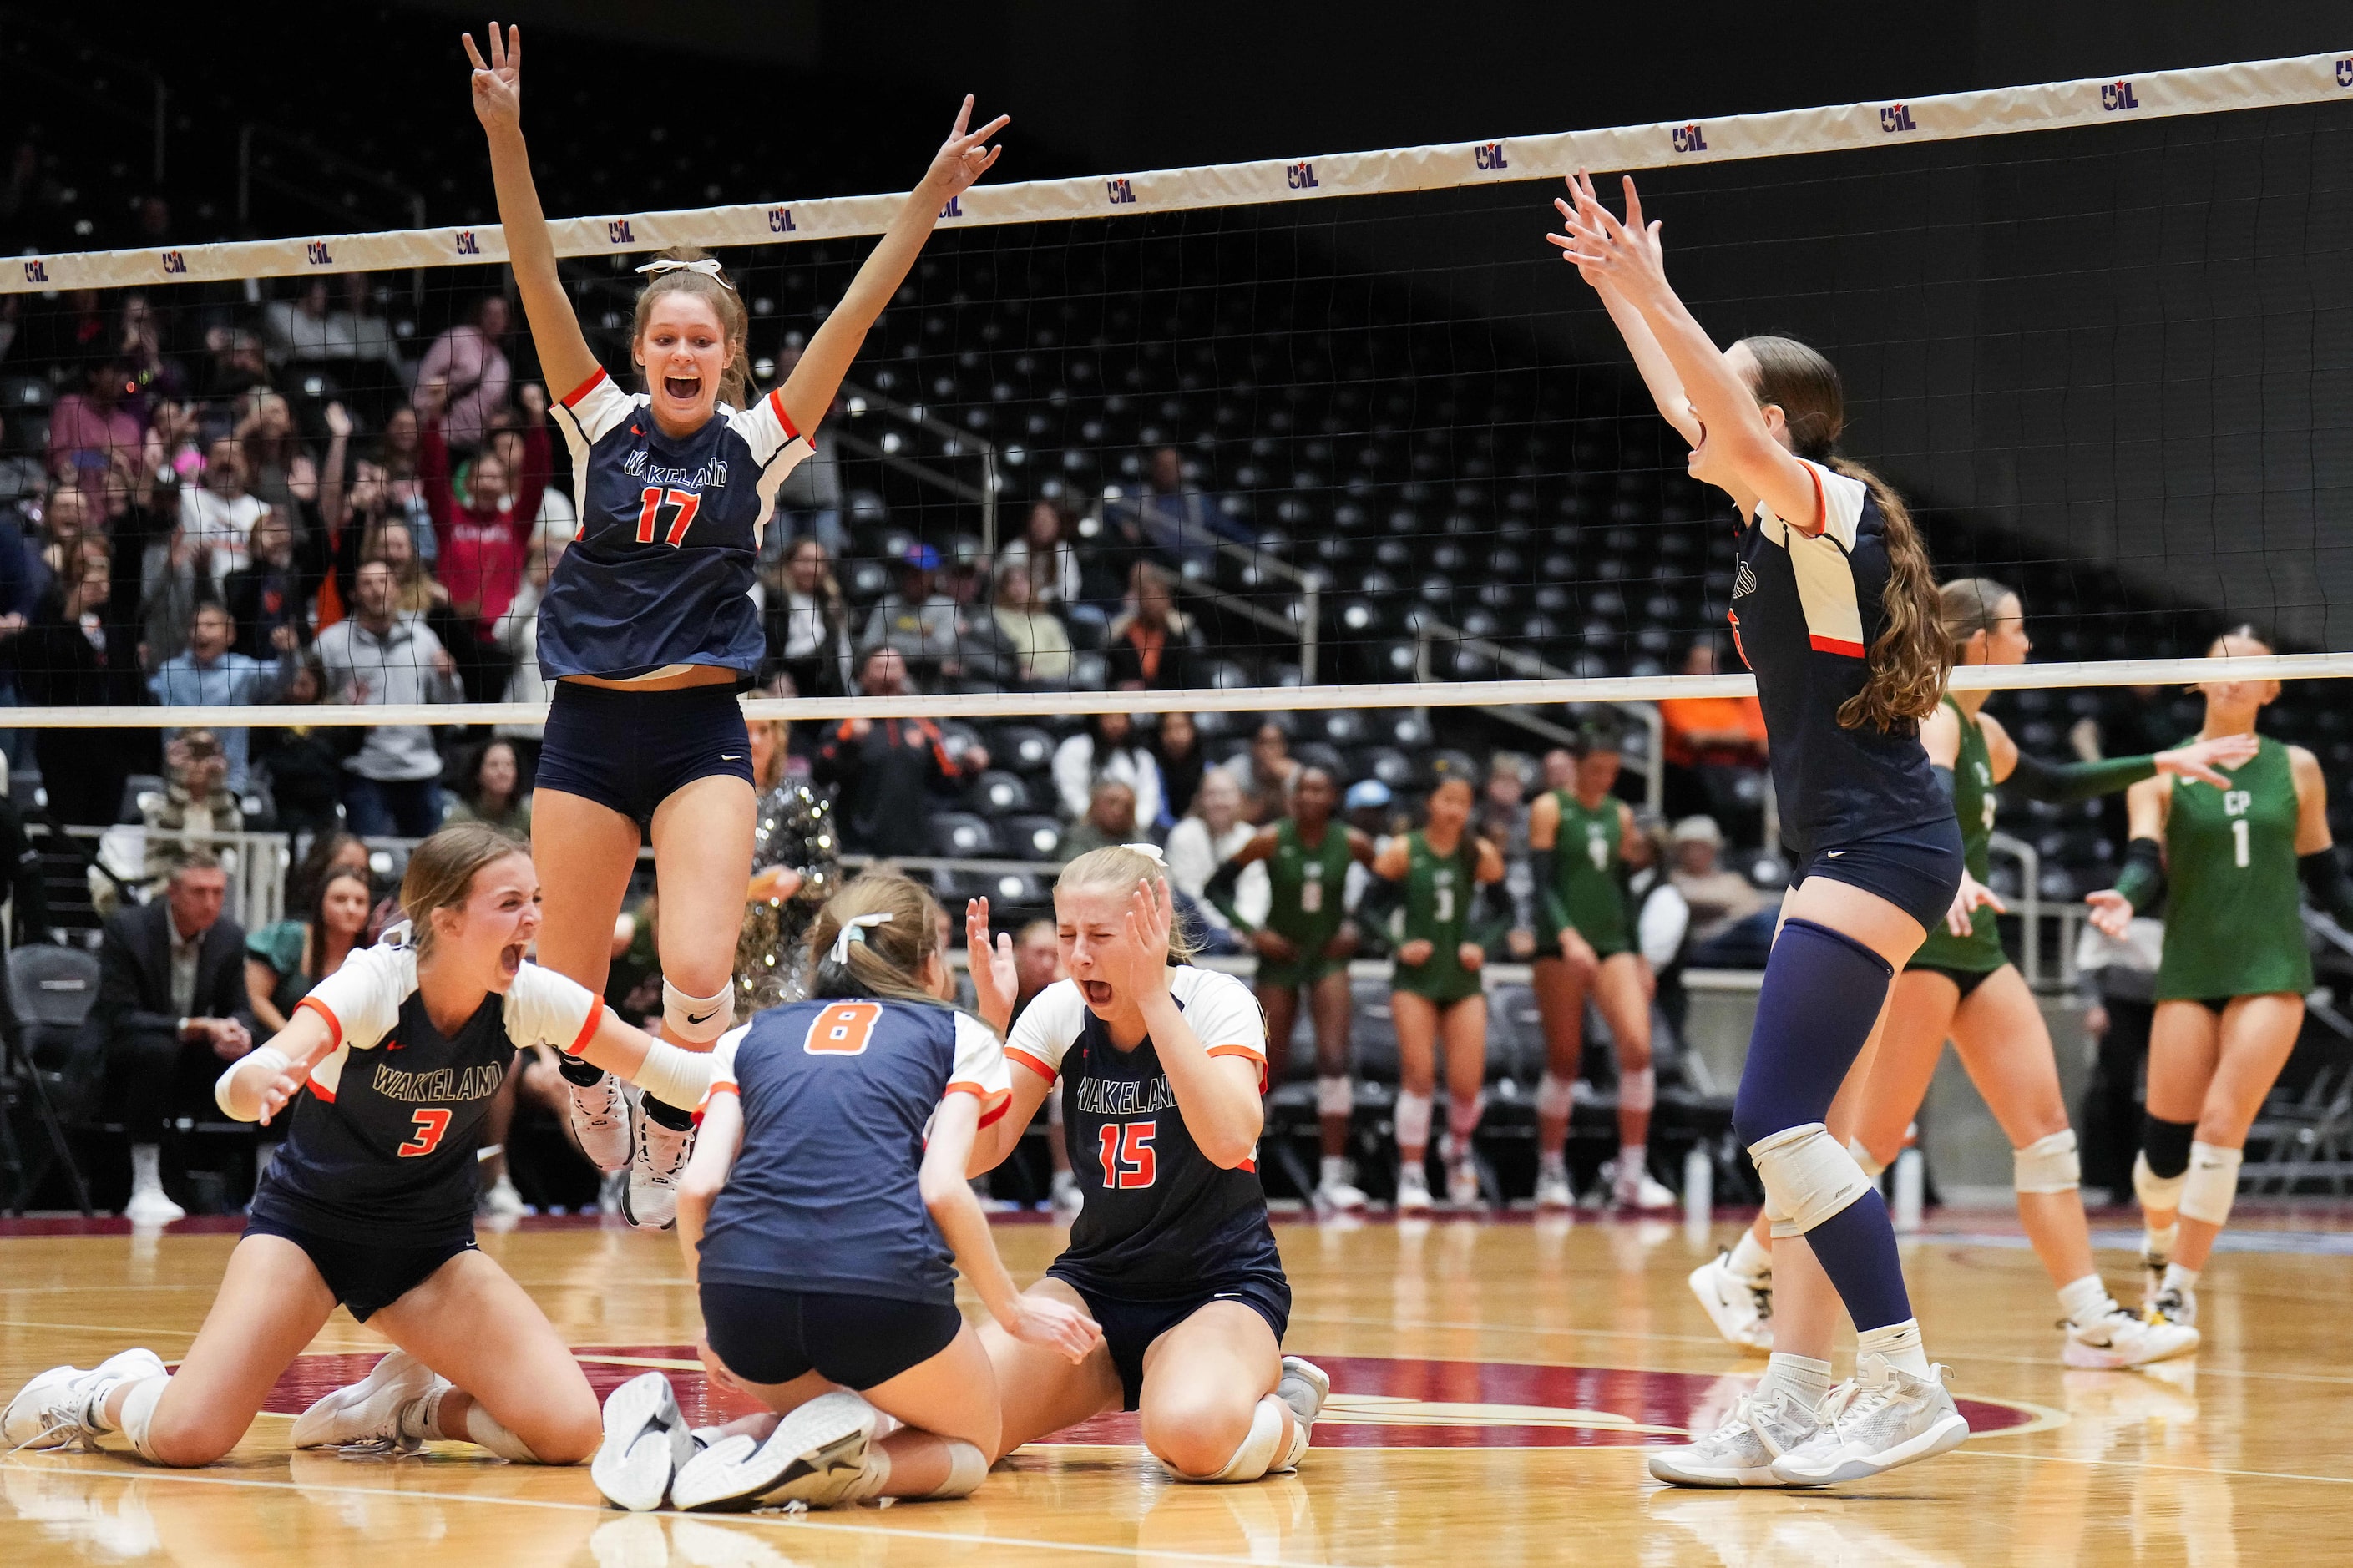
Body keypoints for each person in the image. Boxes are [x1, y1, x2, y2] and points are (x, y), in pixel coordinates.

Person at [462, 20, 1010, 1231]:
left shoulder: (753, 449)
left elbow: (854, 320)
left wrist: (922, 199)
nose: (681, 350)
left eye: (702, 339)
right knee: (567, 985)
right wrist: (508, 137)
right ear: (640, 351)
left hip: (702, 722)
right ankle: (600, 1085)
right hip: (588, 726)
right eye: (663, 336)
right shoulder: (595, 425)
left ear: (727, 357)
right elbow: (535, 274)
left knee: (702, 972)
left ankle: (667, 1128)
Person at [1558, 170, 1966, 1484]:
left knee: (1776, 1118)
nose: (1701, 408)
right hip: (1845, 846)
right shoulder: (1763, 516)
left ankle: (1901, 1380)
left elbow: (1715, 407)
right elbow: (1688, 404)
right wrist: (1624, 289)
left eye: (1733, 393)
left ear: (1777, 419)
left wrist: (1660, 289)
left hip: (1883, 842)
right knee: (1805, 1138)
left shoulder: (1824, 505)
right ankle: (1794, 1395)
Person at [1, 825, 730, 1470]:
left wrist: (769, 1068)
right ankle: (97, 1393)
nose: (533, 919)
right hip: (308, 1235)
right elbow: (285, 1049)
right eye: (510, 904)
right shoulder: (378, 981)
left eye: (535, 900)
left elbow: (678, 1072)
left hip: (428, 1250)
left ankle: (397, 1410)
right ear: (444, 918)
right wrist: (257, 1075)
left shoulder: (529, 994)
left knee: (570, 1430)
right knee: (191, 1436)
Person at [1690, 580, 2244, 1370]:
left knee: (2046, 1131)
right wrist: (1950, 874)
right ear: (1977, 640)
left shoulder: (1985, 727)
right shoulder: (1938, 713)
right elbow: (1934, 790)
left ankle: (2092, 1320)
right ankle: (1740, 1272)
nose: (2029, 646)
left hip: (1975, 949)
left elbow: (2053, 783)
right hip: (1921, 942)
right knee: (1861, 1144)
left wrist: (2164, 759)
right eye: (2018, 630)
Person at [600, 875, 1101, 1511]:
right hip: (880, 1293)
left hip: (746, 1302)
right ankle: (842, 1478)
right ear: (928, 963)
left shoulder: (749, 1036)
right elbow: (945, 1185)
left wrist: (714, 1323)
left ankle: (691, 1445)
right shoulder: (955, 1033)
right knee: (973, 1443)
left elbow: (698, 1186)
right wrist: (1011, 1310)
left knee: (844, 1416)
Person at [973, 847, 1330, 1484]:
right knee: (961, 1420)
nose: (1078, 956)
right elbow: (979, 1152)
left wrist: (1152, 999)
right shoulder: (1058, 1008)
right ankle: (1113, 1380)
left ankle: (1287, 1409)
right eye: (1067, 935)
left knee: (1192, 1440)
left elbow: (1229, 1140)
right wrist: (987, 1028)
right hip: (1095, 1284)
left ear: (1153, 929)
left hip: (1216, 1287)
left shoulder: (1218, 999)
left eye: (1101, 936)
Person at [2087, 626, 2352, 1331]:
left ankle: (2177, 1287)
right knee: (2162, 1154)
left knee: (2220, 1125)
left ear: (2273, 689)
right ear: (2193, 679)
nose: (2233, 677)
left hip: (2271, 966)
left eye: (2251, 671)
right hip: (2191, 964)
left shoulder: (2298, 768)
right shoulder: (2162, 770)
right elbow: (2145, 860)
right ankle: (2158, 1236)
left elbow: (2326, 876)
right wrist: (2123, 894)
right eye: (2219, 666)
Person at [1206, 766, 1376, 1211]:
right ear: (1291, 798)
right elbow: (1216, 887)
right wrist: (1253, 932)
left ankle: (1333, 1177)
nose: (1310, 796)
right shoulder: (1270, 839)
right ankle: (1244, 1173)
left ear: (1333, 796)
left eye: (1319, 788)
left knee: (1335, 1059)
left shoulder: (1354, 842)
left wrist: (1359, 928)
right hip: (1279, 959)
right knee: (1267, 1066)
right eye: (1302, 789)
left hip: (1328, 959)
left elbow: (1390, 889)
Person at [1527, 723, 1676, 1212]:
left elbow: (1622, 892)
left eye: (1612, 771)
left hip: (1612, 944)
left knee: (1637, 1049)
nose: (1605, 779)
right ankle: (1551, 1171)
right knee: (1565, 1060)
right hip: (1559, 947)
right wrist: (1567, 935)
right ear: (1576, 764)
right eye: (1596, 769)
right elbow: (1541, 885)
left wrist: (1636, 955)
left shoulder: (1621, 815)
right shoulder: (1550, 809)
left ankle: (1631, 1174)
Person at [81, 851, 256, 1225]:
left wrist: (236, 1032)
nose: (211, 902)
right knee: (156, 1050)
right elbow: (119, 1016)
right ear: (173, 892)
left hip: (189, 1057)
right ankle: (145, 1185)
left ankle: (264, 1188)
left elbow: (240, 1006)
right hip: (124, 1055)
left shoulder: (228, 936)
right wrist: (190, 1027)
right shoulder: (127, 929)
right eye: (199, 891)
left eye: (217, 892)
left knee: (267, 1053)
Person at [1363, 776, 1505, 1211]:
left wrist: (1481, 943)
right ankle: (1411, 1172)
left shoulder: (1478, 852)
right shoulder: (1405, 850)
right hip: (1416, 979)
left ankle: (1457, 1148)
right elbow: (1368, 908)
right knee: (1419, 1075)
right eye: (1447, 800)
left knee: (1466, 1084)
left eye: (1462, 802)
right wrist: (1397, 941)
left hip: (1461, 979)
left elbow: (1507, 910)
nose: (1454, 810)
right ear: (1429, 802)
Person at [315, 558, 462, 837]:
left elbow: (450, 702)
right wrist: (344, 708)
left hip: (420, 768)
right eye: (367, 584)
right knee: (370, 859)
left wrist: (447, 677)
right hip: (364, 770)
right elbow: (313, 704)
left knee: (428, 864)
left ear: (396, 589)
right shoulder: (331, 643)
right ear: (354, 594)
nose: (376, 590)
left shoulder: (423, 637)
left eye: (383, 581)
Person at [812, 647, 991, 858]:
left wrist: (970, 769)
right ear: (862, 676)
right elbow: (820, 775)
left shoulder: (923, 725)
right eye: (880, 666)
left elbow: (946, 782)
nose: (888, 671)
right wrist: (849, 745)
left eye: (895, 665)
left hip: (913, 850)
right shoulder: (845, 723)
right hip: (858, 848)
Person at [149, 601, 272, 797]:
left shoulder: (243, 670)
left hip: (228, 783)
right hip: (178, 781)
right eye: (195, 626)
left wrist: (289, 652)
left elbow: (285, 678)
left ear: (230, 634)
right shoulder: (169, 672)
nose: (200, 632)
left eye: (210, 625)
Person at [1659, 637, 1771, 834]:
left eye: (1712, 662)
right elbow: (1694, 739)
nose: (1708, 667)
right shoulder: (1675, 696)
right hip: (1692, 774)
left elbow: (1757, 739)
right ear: (1687, 665)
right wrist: (1735, 737)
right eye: (1700, 662)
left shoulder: (1726, 696)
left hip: (1734, 769)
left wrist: (1717, 737)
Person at [245, 866, 372, 1034]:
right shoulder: (288, 937)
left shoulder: (373, 957)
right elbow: (255, 997)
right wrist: (291, 1036)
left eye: (360, 902)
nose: (351, 909)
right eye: (340, 900)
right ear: (320, 904)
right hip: (274, 1043)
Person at [1166, 767, 1262, 943]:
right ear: (1200, 799)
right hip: (1196, 929)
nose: (1219, 801)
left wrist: (1243, 927)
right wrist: (1223, 931)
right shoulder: (1184, 834)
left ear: (1240, 798)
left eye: (1226, 794)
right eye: (1211, 794)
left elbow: (1254, 891)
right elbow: (1190, 892)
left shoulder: (1250, 837)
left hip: (1241, 932)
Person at [417, 295, 514, 451]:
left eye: (500, 314)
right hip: (441, 439)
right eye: (489, 313)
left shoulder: (502, 364)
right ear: (479, 315)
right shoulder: (459, 338)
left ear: (508, 321)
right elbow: (425, 379)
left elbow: (497, 408)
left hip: (477, 444)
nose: (494, 319)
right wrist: (421, 423)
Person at [762, 534, 853, 698]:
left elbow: (841, 654)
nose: (812, 569)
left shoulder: (830, 602)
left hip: (823, 686)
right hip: (783, 681)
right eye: (805, 561)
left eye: (819, 562)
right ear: (788, 562)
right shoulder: (770, 597)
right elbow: (758, 643)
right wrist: (771, 677)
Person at [1053, 709, 1165, 827]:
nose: (1115, 723)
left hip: (1131, 829)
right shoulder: (1074, 749)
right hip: (1083, 826)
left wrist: (1133, 824)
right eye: (1109, 717)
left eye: (1120, 717)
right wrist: (1101, 822)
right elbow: (1072, 794)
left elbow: (1148, 799)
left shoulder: (1142, 757)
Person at [1104, 560, 1197, 692]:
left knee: (1177, 714)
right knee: (1114, 714)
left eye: (1158, 595)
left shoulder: (1180, 636)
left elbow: (1187, 678)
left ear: (1168, 600)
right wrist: (1122, 686)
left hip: (1169, 700)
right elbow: (1113, 676)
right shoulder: (1122, 635)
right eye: (1147, 595)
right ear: (1139, 600)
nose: (1153, 602)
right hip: (1129, 700)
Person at [988, 557, 1073, 687]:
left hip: (1051, 682)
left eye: (1024, 581)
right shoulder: (994, 617)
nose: (1019, 588)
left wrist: (1040, 671)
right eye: (1013, 582)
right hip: (1011, 681)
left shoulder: (1048, 621)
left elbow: (1067, 658)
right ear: (1003, 588)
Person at [447, 737, 533, 842]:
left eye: (509, 765)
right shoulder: (460, 820)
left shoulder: (526, 815)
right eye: (494, 765)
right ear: (477, 774)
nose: (502, 772)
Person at [1059, 779, 1141, 864]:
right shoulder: (1077, 837)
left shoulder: (1139, 839)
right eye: (1111, 803)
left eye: (1127, 806)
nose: (1118, 811)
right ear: (1095, 805)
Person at [1153, 710, 1206, 826]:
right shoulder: (1153, 768)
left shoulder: (1207, 769)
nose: (1175, 736)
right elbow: (1158, 813)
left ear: (1192, 730)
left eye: (1181, 727)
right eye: (1168, 729)